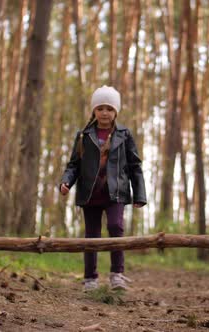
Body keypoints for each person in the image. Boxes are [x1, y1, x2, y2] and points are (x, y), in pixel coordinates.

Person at [59, 85, 147, 292]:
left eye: (109, 108)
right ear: (94, 111)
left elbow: (135, 166)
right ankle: (90, 278)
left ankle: (117, 274)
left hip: (115, 192)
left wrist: (139, 194)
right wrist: (66, 182)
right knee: (92, 235)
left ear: (116, 111)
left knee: (116, 227)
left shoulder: (124, 135)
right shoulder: (83, 135)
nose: (105, 112)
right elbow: (74, 165)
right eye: (100, 108)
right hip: (90, 193)